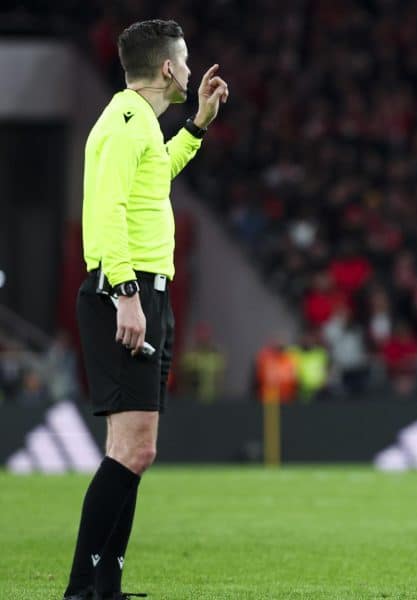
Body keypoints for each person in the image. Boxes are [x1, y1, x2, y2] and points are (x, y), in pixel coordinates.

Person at [65, 19, 228, 600]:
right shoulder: (122, 123)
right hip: (127, 294)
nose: (189, 70)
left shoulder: (138, 127)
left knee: (129, 453)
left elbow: (155, 178)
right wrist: (126, 296)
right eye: (184, 61)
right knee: (137, 449)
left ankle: (105, 587)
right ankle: (79, 588)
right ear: (166, 68)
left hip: (146, 292)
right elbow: (105, 214)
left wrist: (198, 128)